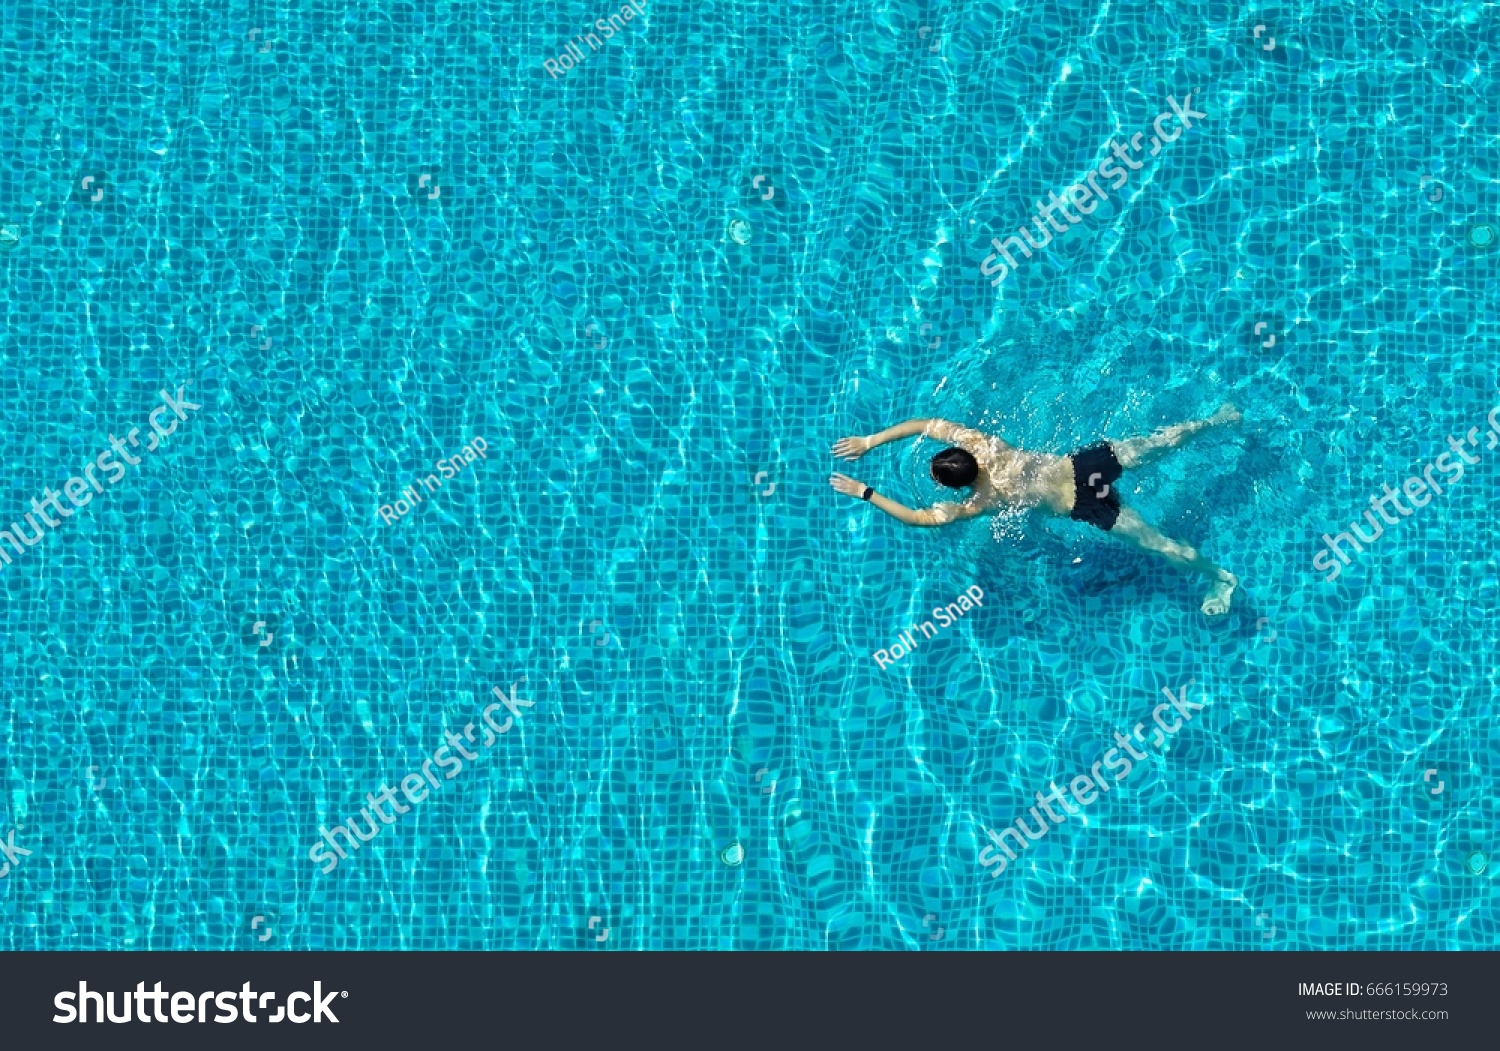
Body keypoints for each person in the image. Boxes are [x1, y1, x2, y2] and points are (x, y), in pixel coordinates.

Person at [829, 406, 1242, 615]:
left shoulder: (980, 502)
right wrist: (870, 439)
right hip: (1081, 465)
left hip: (1084, 504)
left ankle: (1221, 578)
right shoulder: (982, 443)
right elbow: (924, 424)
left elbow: (918, 519)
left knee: (1159, 544)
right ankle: (1218, 419)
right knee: (1159, 443)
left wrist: (866, 492)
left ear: (948, 484)